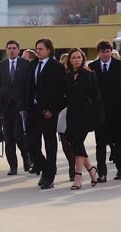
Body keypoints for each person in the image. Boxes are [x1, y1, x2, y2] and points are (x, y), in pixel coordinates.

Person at [28, 38, 65, 189]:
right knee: (31, 144)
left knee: (50, 144)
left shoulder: (56, 67)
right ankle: (45, 167)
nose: (37, 51)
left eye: (41, 49)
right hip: (33, 110)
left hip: (48, 112)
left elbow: (60, 91)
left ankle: (50, 176)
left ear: (49, 50)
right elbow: (29, 87)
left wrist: (53, 110)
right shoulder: (33, 64)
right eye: (36, 48)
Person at [63, 48, 101, 190]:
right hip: (71, 114)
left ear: (83, 59)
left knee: (78, 142)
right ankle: (91, 170)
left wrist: (97, 116)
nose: (77, 59)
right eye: (74, 57)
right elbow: (64, 98)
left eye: (79, 57)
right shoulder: (67, 76)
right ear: (70, 60)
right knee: (75, 144)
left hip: (86, 115)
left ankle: (78, 176)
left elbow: (96, 97)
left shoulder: (89, 75)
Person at [0, 40, 31, 175]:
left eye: (14, 48)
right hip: (6, 107)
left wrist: (26, 105)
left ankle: (26, 159)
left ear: (18, 50)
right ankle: (13, 166)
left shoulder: (26, 64)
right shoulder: (1, 65)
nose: (11, 50)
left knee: (19, 136)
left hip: (20, 107)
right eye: (9, 48)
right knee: (8, 138)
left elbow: (29, 85)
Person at [88, 40, 121, 182]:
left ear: (111, 51)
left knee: (119, 142)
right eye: (102, 52)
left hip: (117, 111)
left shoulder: (119, 65)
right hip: (99, 112)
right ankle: (102, 172)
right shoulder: (92, 67)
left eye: (108, 51)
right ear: (98, 53)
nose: (105, 54)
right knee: (100, 144)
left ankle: (120, 170)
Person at [57, 53, 76, 181]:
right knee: (64, 142)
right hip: (61, 112)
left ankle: (75, 168)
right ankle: (71, 164)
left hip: (75, 111)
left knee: (75, 142)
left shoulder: (76, 75)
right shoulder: (59, 76)